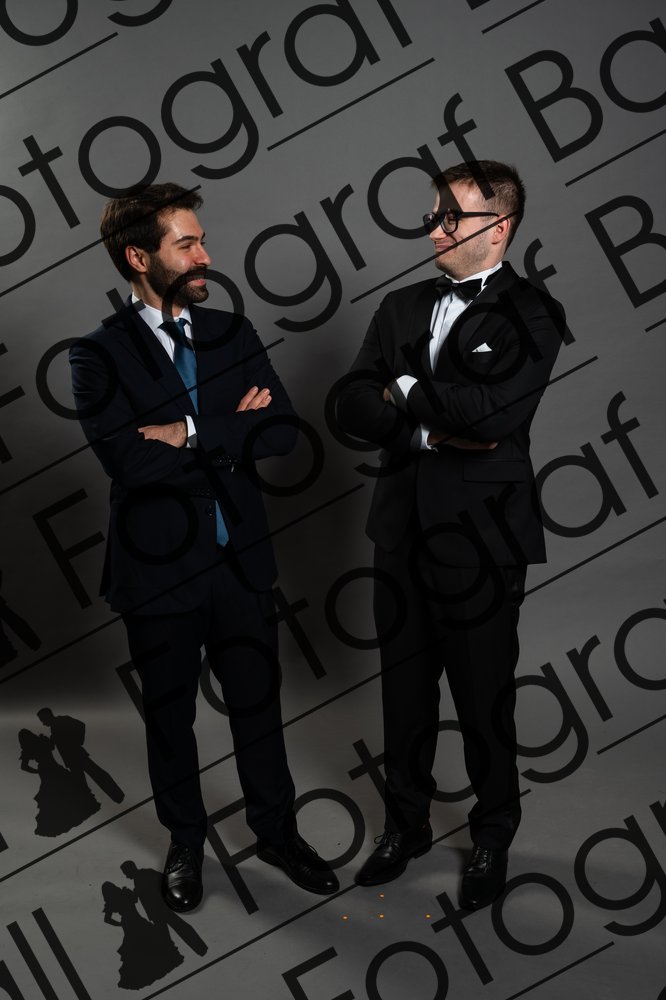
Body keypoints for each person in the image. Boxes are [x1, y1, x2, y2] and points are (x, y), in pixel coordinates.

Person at [70, 183, 338, 912]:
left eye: (202, 240)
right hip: (158, 571)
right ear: (139, 257)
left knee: (259, 706)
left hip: (240, 560)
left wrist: (188, 432)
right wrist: (230, 432)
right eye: (186, 244)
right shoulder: (96, 355)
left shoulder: (232, 333)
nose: (205, 256)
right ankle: (185, 841)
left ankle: (277, 833)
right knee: (169, 717)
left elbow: (282, 432)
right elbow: (129, 462)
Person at [335, 160, 565, 909]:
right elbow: (349, 403)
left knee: (482, 695)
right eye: (433, 214)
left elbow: (496, 417)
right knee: (405, 694)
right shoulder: (400, 306)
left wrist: (402, 387)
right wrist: (430, 427)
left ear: (499, 228)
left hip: (483, 540)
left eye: (451, 217)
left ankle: (493, 833)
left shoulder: (534, 313)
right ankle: (405, 827)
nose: (434, 229)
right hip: (399, 530)